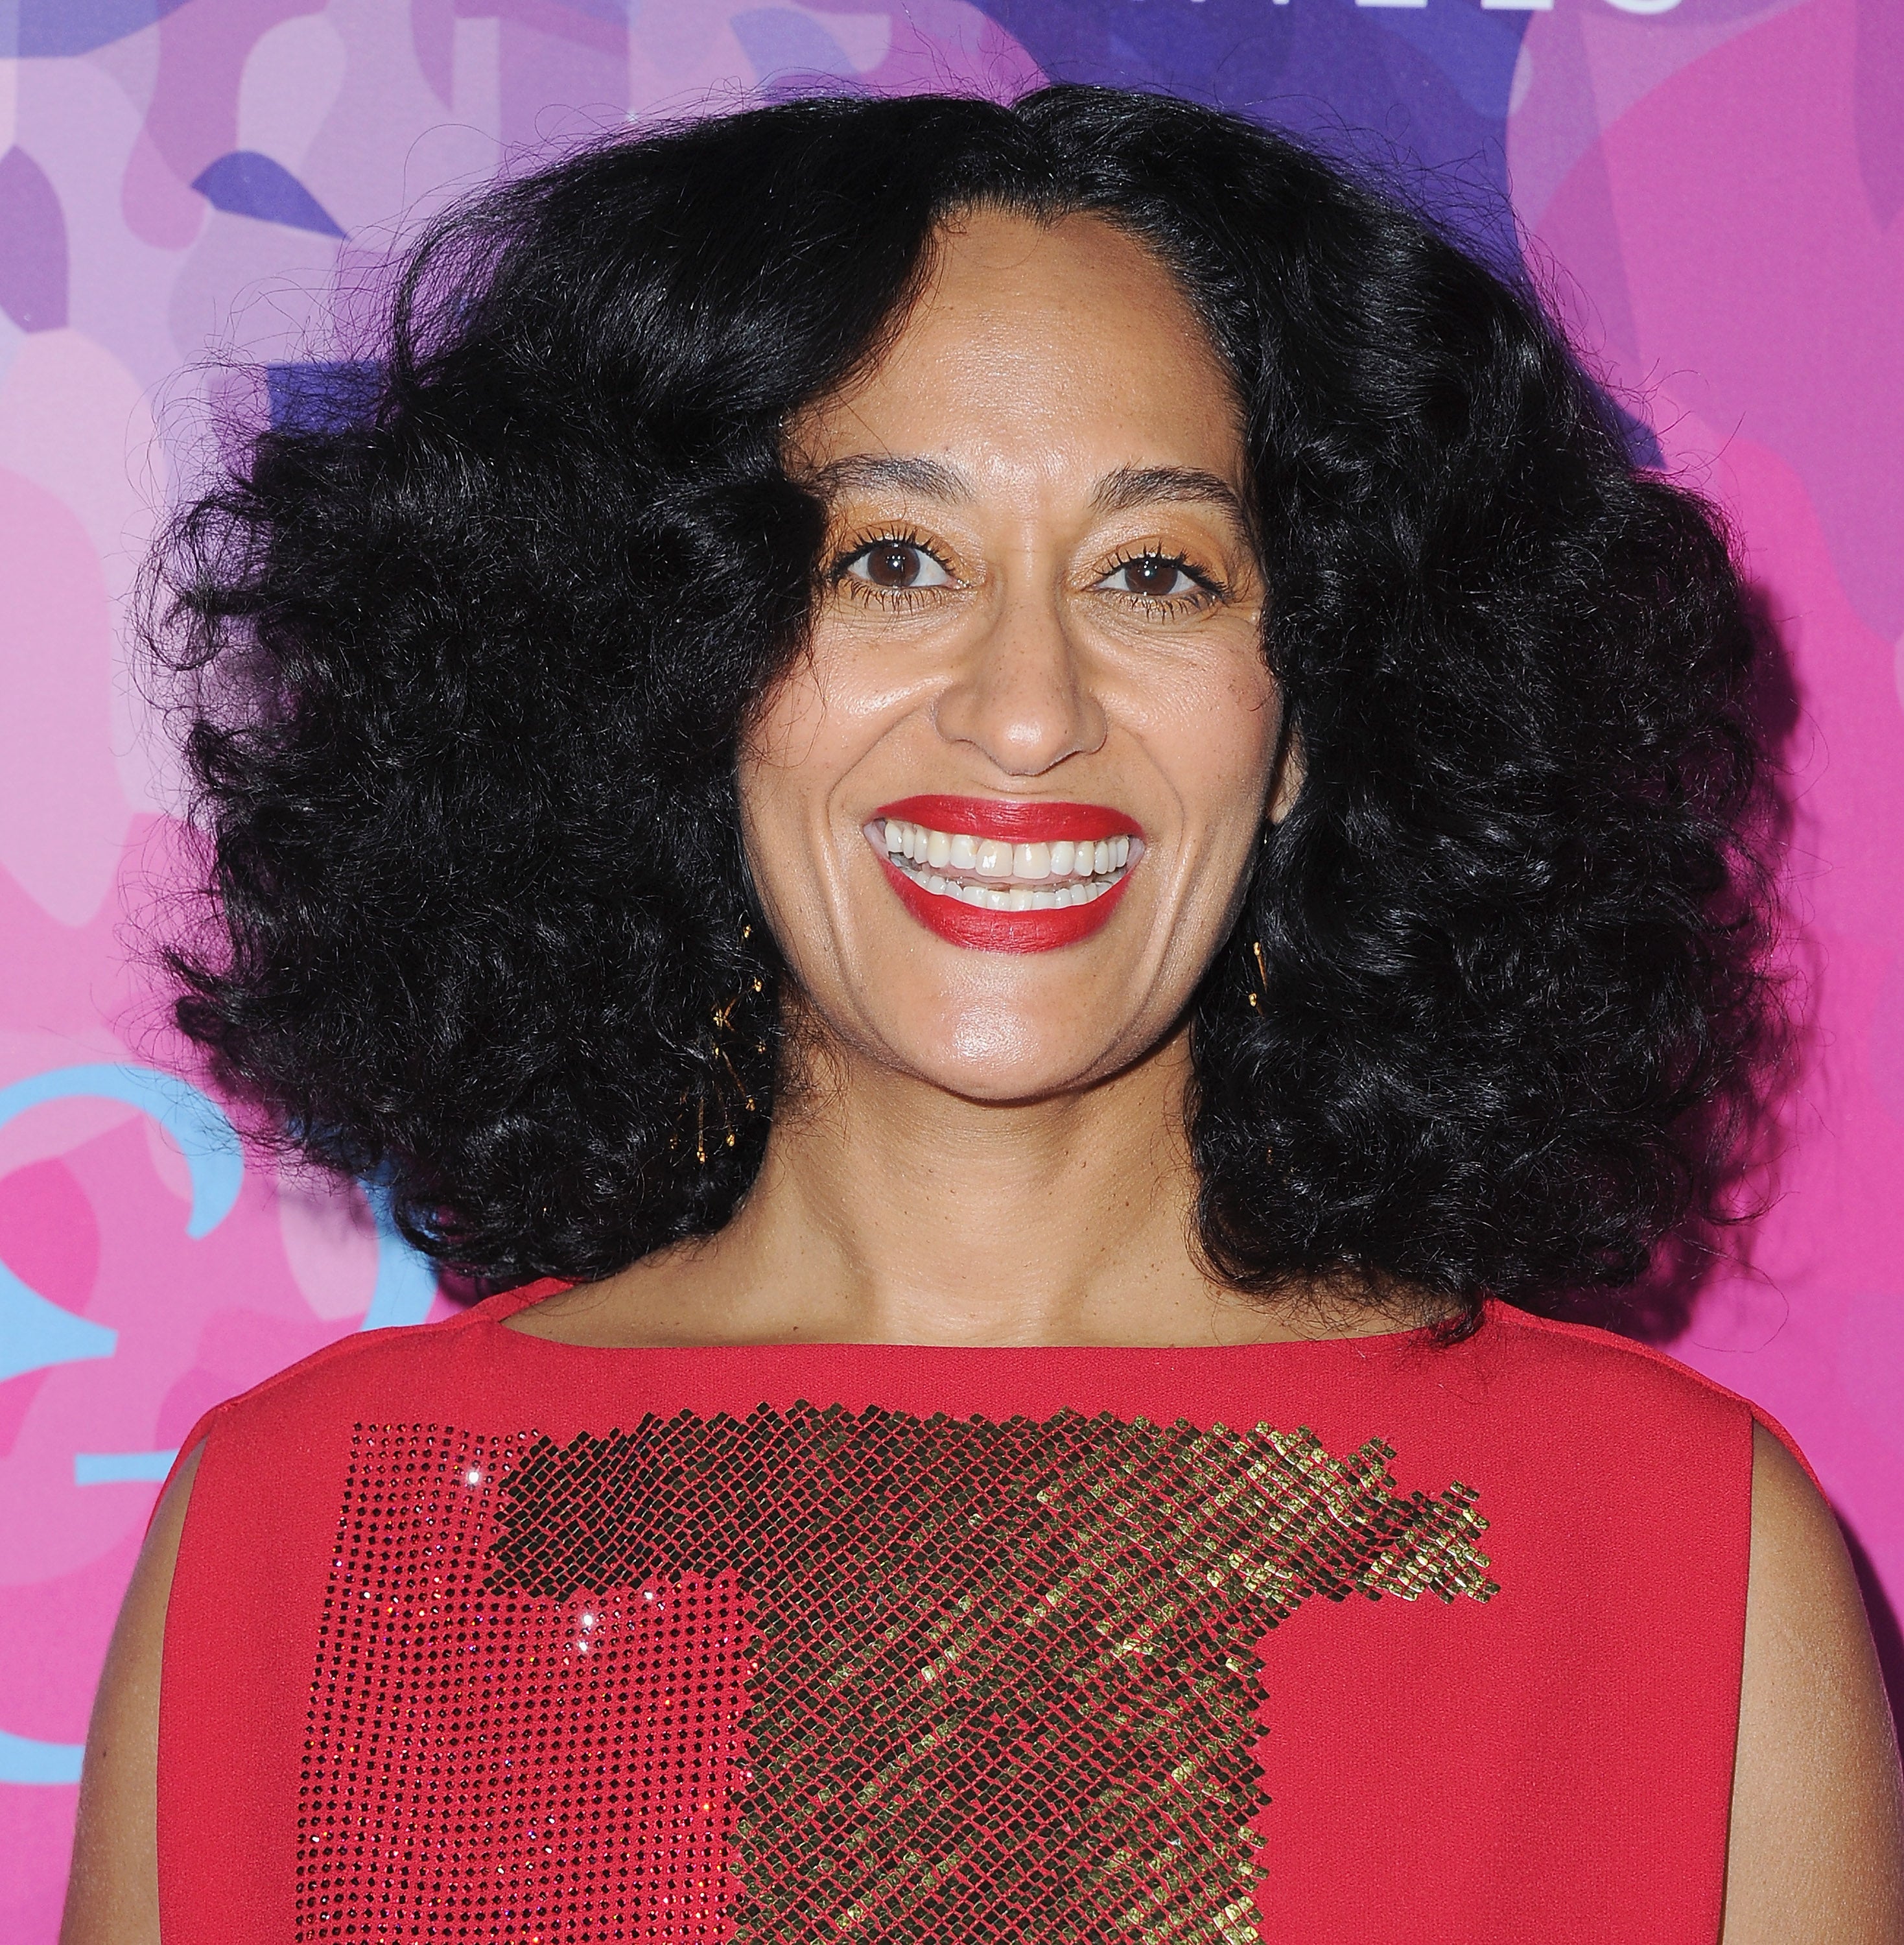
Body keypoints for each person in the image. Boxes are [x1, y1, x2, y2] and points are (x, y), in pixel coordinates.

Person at [62, 86, 1901, 1944]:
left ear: (1310, 721)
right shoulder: (296, 1532)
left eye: (1155, 574)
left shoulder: (1673, 1552)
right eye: (890, 561)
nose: (1027, 711)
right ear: (678, 671)